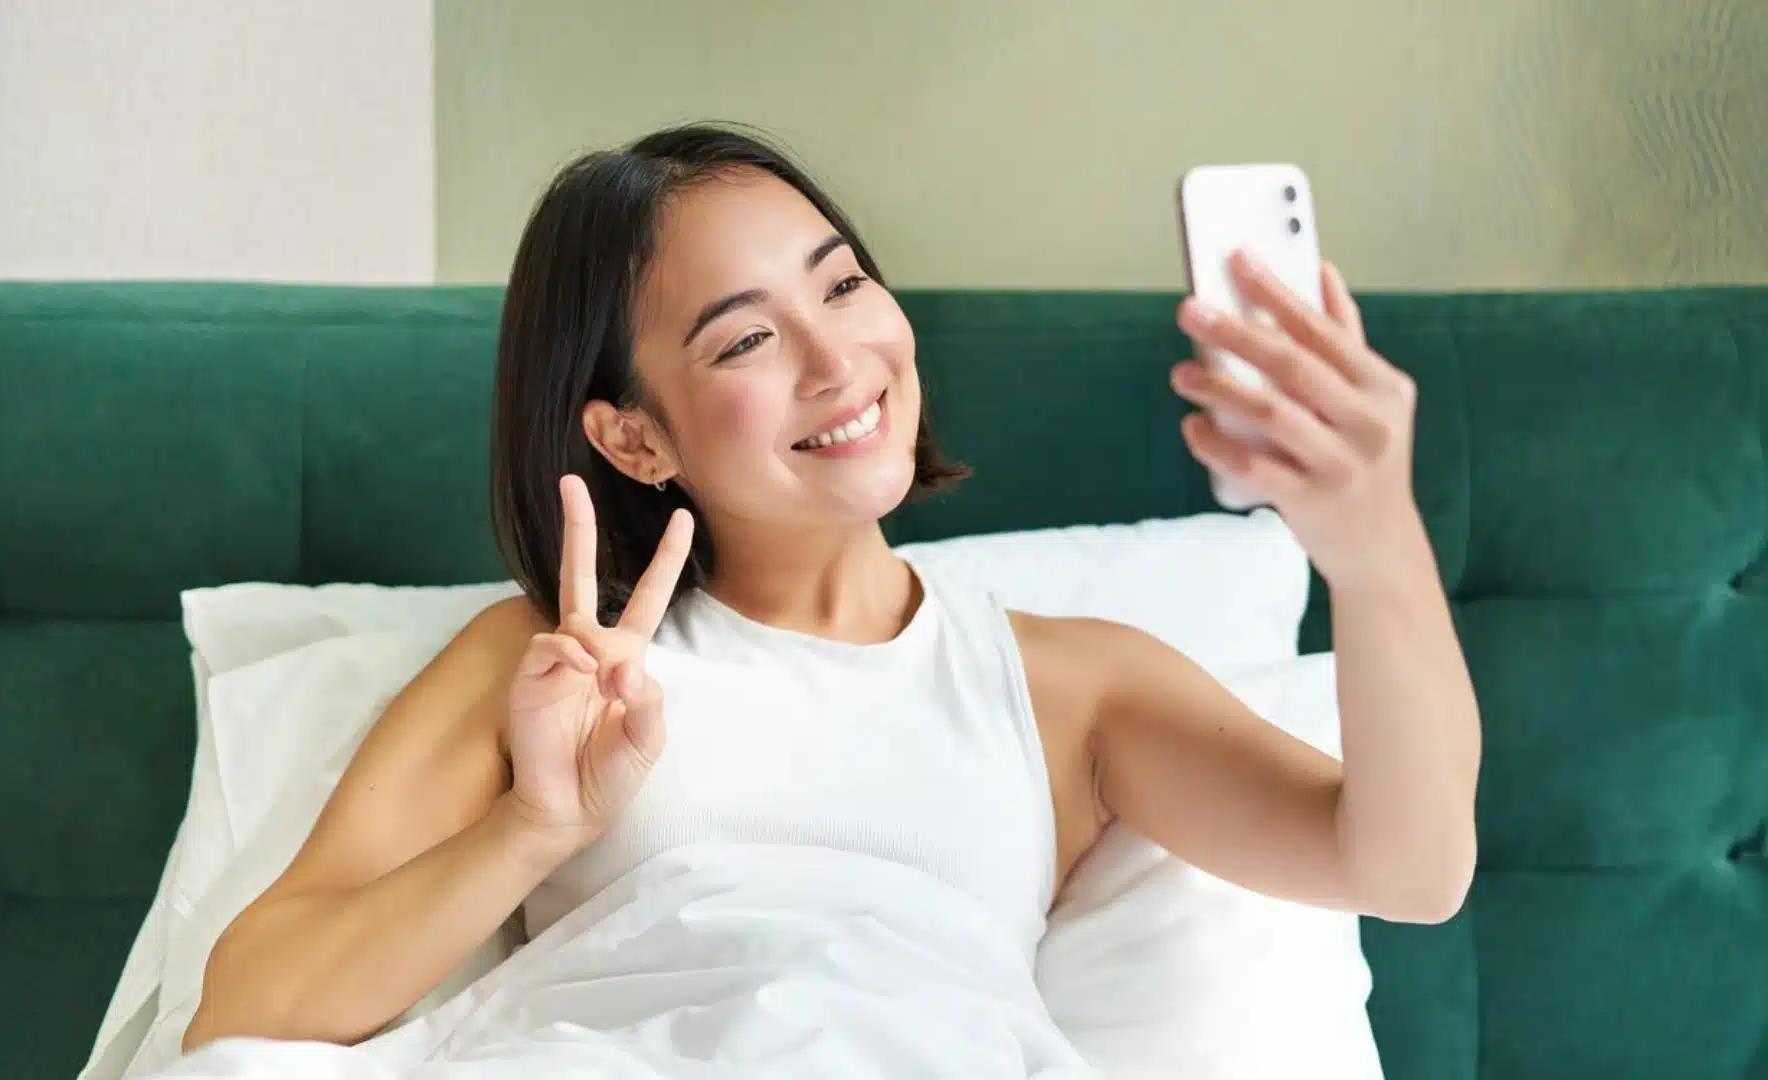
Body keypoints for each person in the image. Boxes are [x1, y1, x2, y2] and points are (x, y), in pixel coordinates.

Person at [181, 123, 1480, 1057]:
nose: (838, 357)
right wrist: (531, 826)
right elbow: (245, 1010)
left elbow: (1407, 866)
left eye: (846, 282)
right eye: (747, 337)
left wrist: (1373, 543)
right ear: (634, 438)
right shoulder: (547, 668)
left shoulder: (1072, 684)